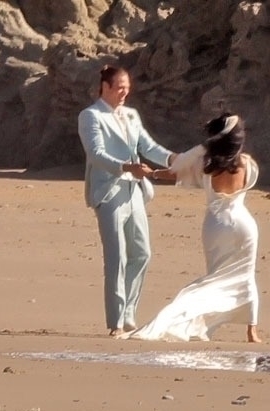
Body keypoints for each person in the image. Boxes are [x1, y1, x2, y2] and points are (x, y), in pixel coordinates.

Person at [122, 113, 262, 343]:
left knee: (215, 278)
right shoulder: (248, 164)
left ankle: (191, 317)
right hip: (244, 225)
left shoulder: (206, 164)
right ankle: (251, 331)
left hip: (216, 226)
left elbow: (176, 169)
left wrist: (153, 173)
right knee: (246, 275)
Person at [78, 65, 176, 338]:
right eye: (119, 87)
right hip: (108, 192)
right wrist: (127, 167)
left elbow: (148, 146)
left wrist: (173, 160)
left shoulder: (131, 115)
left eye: (127, 88)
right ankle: (116, 322)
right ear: (105, 87)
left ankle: (129, 313)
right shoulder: (90, 116)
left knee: (142, 253)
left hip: (135, 192)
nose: (124, 92)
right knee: (117, 256)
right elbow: (96, 154)